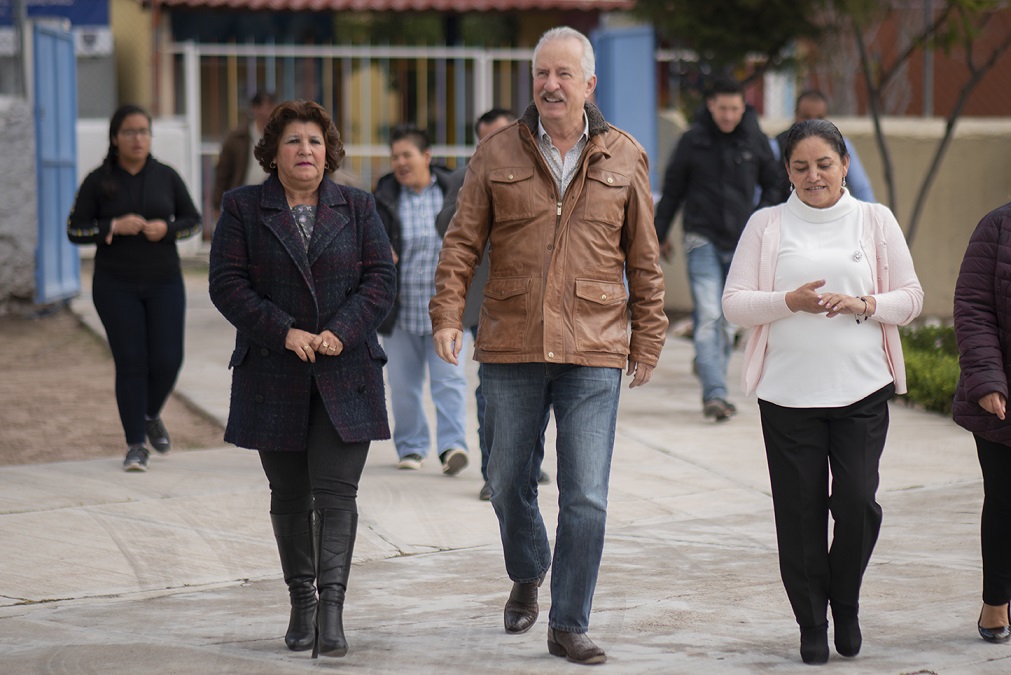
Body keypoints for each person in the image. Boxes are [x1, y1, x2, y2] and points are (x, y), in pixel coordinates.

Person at [430, 26, 668, 664]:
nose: (550, 85)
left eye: (564, 74)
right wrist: (449, 312)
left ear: (590, 84)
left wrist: (649, 335)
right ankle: (528, 569)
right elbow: (461, 244)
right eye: (542, 74)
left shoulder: (625, 155)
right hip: (510, 343)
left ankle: (568, 622)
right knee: (507, 480)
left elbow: (643, 258)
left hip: (594, 347)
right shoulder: (496, 153)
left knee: (586, 493)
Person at [722, 119, 922, 664]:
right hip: (787, 396)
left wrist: (864, 306)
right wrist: (790, 301)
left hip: (862, 390)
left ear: (844, 164)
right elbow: (734, 302)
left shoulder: (874, 220)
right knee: (799, 514)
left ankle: (846, 602)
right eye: (801, 167)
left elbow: (911, 297)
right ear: (787, 171)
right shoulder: (766, 225)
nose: (814, 176)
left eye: (824, 164)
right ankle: (812, 621)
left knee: (857, 503)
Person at [208, 100, 396, 659]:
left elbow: (380, 279)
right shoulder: (243, 207)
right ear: (273, 152)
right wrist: (284, 331)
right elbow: (227, 283)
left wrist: (341, 330)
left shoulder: (359, 207)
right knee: (289, 495)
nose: (306, 151)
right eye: (293, 141)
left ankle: (333, 612)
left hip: (347, 370)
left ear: (328, 150)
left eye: (315, 141)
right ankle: (302, 603)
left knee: (337, 495)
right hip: (273, 372)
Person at [67, 104, 202, 472]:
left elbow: (194, 221)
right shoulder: (98, 180)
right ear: (115, 138)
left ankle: (149, 414)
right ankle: (135, 445)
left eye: (144, 131)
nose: (138, 138)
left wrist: (168, 229)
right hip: (116, 286)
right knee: (132, 363)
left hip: (164, 282)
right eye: (130, 131)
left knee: (168, 360)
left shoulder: (166, 177)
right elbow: (74, 230)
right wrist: (111, 227)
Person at [435, 108, 550, 501]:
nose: (499, 145)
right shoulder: (468, 174)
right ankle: (492, 471)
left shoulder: (542, 169)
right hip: (490, 301)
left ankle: (527, 464)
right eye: (488, 138)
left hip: (537, 299)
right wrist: (483, 190)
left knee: (542, 389)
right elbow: (448, 226)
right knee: (493, 390)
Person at [654, 78, 784, 422]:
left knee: (729, 319)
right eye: (722, 108)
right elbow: (672, 191)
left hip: (743, 242)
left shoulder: (754, 141)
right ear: (711, 106)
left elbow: (775, 184)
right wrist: (657, 234)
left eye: (735, 109)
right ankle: (715, 393)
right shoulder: (692, 142)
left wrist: (761, 218)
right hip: (702, 238)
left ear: (744, 108)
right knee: (710, 315)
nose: (728, 115)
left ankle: (709, 368)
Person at [374, 124, 470, 475]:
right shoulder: (383, 198)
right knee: (402, 385)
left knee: (449, 380)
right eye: (395, 156)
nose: (400, 162)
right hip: (400, 311)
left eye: (407, 155)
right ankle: (412, 447)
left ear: (426, 157)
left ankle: (452, 447)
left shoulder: (452, 192)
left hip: (446, 311)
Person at [952, 201, 1011, 644]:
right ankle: (996, 601)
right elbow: (973, 308)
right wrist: (988, 381)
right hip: (1002, 396)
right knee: (1005, 500)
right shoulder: (997, 226)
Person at [772, 90, 876, 203]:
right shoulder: (776, 146)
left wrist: (871, 217)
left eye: (824, 165)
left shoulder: (841, 146)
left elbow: (861, 189)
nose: (812, 123)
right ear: (796, 115)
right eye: (801, 167)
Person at [212, 91, 276, 219]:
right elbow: (223, 173)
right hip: (242, 203)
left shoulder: (280, 138)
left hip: (272, 202)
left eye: (272, 107)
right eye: (266, 107)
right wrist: (216, 204)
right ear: (255, 109)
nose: (269, 112)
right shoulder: (237, 138)